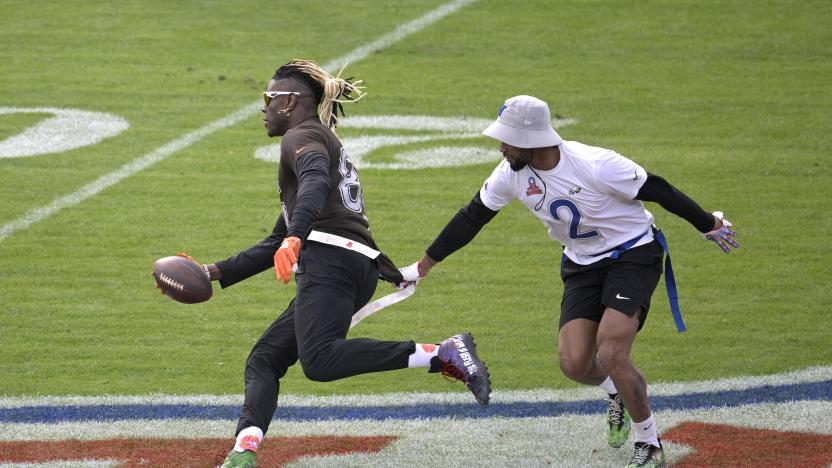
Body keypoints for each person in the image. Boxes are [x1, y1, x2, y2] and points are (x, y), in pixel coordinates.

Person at [399, 95, 739, 468]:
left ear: (532, 139)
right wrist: (423, 265)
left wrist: (709, 224)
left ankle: (649, 442)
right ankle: (618, 393)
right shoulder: (510, 173)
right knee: (574, 364)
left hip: (633, 255)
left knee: (611, 352)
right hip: (581, 264)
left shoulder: (595, 165)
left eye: (508, 140)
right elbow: (472, 217)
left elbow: (659, 189)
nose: (501, 147)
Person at [202, 60, 492, 468]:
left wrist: (295, 236)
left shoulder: (301, 137)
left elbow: (316, 183)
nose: (263, 107)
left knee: (319, 361)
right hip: (352, 263)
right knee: (265, 357)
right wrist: (211, 274)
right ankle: (243, 450)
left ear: (290, 101)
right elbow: (277, 237)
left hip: (330, 263)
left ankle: (440, 353)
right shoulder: (320, 137)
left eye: (269, 98)